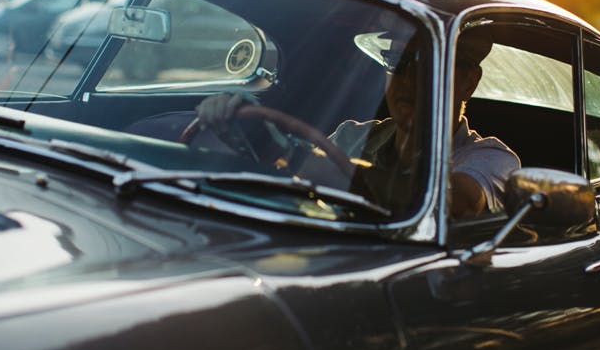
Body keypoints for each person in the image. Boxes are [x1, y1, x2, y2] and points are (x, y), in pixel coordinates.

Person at [195, 30, 520, 217]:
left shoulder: (492, 159)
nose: (405, 80)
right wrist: (236, 133)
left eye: (422, 63)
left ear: (467, 83)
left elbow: (459, 204)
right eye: (396, 63)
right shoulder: (354, 135)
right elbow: (292, 184)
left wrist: (293, 155)